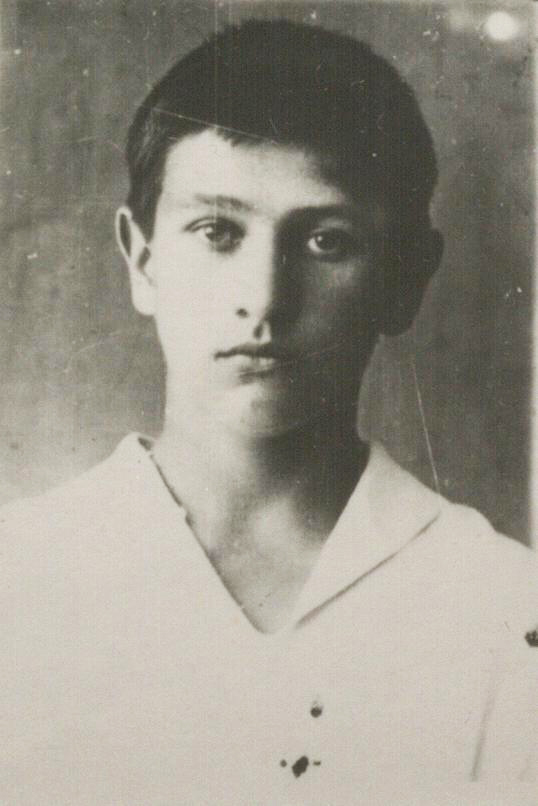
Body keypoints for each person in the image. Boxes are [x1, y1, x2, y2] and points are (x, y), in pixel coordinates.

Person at [1, 18, 536, 805]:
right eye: (217, 231)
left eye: (325, 241)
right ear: (142, 260)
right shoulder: (21, 580)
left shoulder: (502, 609)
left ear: (405, 279)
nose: (264, 299)